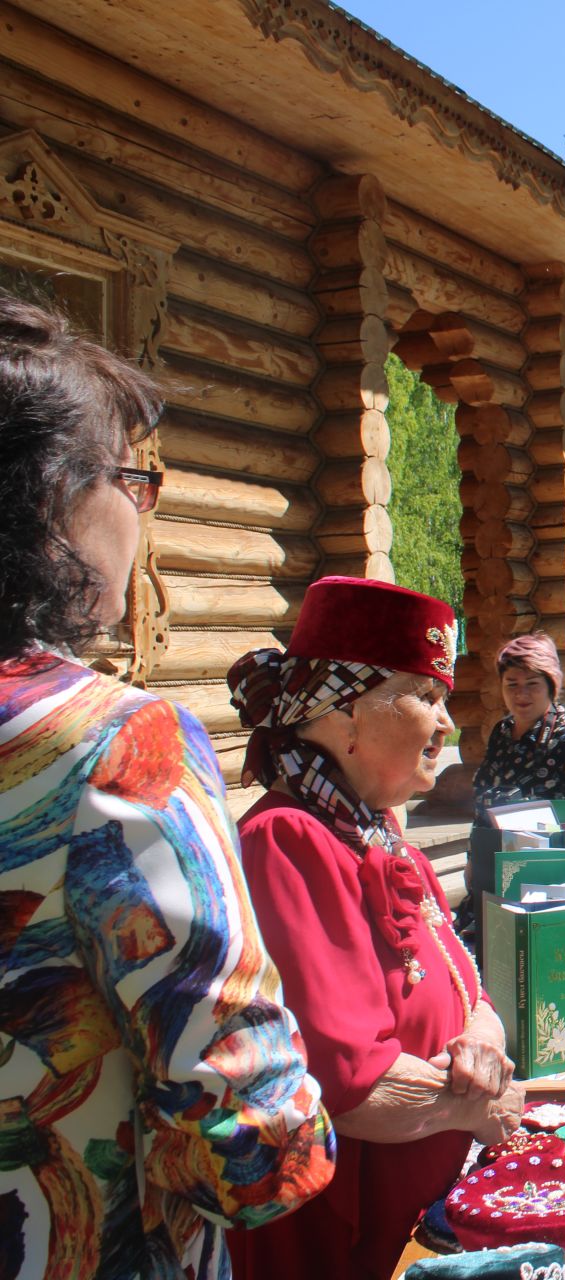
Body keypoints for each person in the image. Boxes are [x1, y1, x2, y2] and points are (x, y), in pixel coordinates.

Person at [0, 293, 334, 1278]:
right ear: (56, 496)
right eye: (134, 480)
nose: (142, 515)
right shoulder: (110, 739)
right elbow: (254, 1142)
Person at [226, 577, 523, 1280]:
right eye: (424, 696)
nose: (445, 724)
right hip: (345, 1240)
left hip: (419, 1210)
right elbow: (348, 1083)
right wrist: (480, 1108)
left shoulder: (375, 829)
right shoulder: (287, 841)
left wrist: (480, 1042)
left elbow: (462, 980)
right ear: (341, 715)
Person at [471, 631, 565, 814]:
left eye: (532, 683)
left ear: (551, 685)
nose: (521, 694)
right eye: (512, 684)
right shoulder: (501, 733)